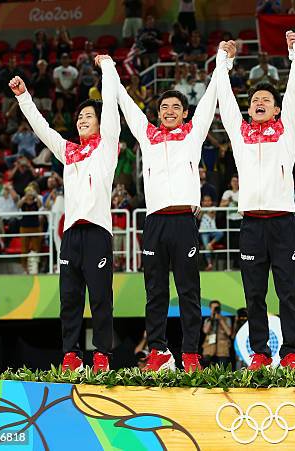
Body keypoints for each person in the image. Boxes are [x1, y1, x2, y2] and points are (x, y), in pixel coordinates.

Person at [102, 45, 232, 373]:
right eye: (165, 107)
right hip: (155, 223)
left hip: (183, 222)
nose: (170, 111)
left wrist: (221, 59)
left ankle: (190, 355)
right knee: (155, 291)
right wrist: (109, 69)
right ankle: (158, 351)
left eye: (176, 107)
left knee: (189, 291)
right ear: (158, 114)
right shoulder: (147, 136)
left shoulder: (193, 134)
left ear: (185, 114)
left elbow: (211, 96)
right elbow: (125, 103)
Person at [9, 53, 121, 373]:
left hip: (98, 232)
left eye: (89, 115)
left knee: (100, 298)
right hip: (71, 234)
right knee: (69, 300)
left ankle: (101, 355)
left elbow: (110, 105)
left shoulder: (106, 146)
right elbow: (42, 128)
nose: (82, 119)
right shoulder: (68, 152)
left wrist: (109, 70)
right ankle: (71, 355)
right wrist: (23, 97)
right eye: (80, 117)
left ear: (101, 122)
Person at [217, 33, 295, 370]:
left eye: (267, 98)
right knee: (254, 295)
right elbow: (224, 99)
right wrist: (224, 62)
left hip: (283, 222)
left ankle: (292, 352)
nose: (260, 101)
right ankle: (260, 353)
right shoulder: (239, 134)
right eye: (255, 98)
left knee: (288, 293)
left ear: (277, 108)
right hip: (252, 223)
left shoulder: (287, 131)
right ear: (249, 107)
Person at [202, 300, 233, 367]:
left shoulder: (226, 319)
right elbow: (205, 331)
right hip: (209, 348)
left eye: (217, 307)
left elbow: (229, 332)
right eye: (213, 308)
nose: (215, 309)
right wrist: (212, 317)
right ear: (210, 308)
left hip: (222, 349)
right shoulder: (208, 320)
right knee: (207, 368)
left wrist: (220, 319)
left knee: (223, 368)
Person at [199, 194, 223, 271]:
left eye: (208, 201)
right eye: (205, 201)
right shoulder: (200, 209)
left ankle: (211, 243)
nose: (207, 202)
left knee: (221, 233)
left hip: (213, 230)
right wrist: (203, 209)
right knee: (206, 247)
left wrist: (206, 209)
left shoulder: (213, 208)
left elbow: (212, 215)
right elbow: (199, 217)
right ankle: (209, 264)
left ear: (211, 202)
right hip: (204, 231)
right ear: (202, 202)